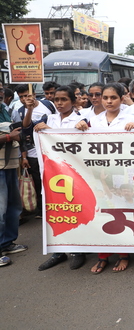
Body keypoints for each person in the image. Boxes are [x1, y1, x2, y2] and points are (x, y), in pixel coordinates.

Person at [75, 83, 134, 273]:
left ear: (122, 99)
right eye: (105, 98)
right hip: (100, 172)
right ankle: (102, 256)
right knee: (100, 212)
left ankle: (124, 254)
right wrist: (79, 127)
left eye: (113, 98)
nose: (109, 101)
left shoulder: (132, 117)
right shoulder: (93, 120)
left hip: (123, 173)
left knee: (121, 212)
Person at [29, 86, 86, 271]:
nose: (60, 103)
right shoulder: (49, 118)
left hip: (75, 174)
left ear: (73, 101)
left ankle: (78, 251)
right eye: (57, 100)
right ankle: (58, 251)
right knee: (55, 210)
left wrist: (53, 130)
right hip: (53, 174)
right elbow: (26, 128)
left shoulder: (81, 119)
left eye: (64, 100)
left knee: (74, 209)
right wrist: (38, 124)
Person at [14, 85, 57, 219]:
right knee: (37, 181)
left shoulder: (48, 105)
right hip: (33, 152)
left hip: (52, 151)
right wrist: (24, 156)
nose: (24, 99)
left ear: (34, 94)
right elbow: (23, 131)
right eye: (21, 97)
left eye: (27, 95)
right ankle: (41, 210)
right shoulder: (18, 110)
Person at [0, 87, 25, 267]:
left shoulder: (4, 108)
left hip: (9, 164)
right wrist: (9, 137)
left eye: (0, 89)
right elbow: (11, 134)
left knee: (12, 206)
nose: (0, 92)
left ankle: (7, 243)